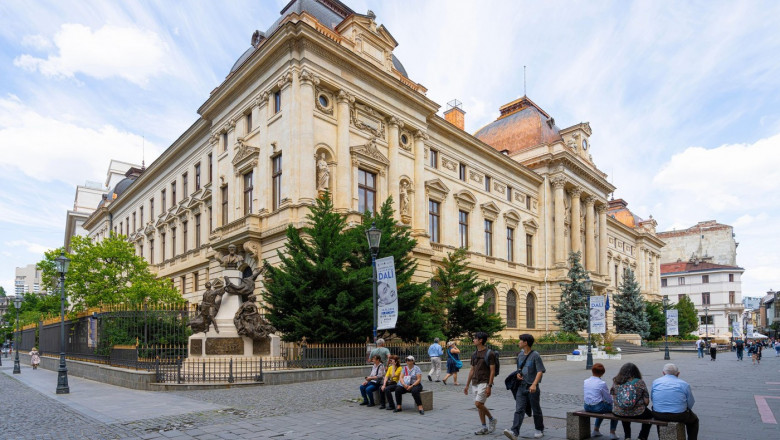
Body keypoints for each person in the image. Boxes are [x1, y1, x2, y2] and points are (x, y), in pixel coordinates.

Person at [504, 333, 545, 440]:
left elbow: (540, 371)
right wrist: (518, 374)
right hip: (521, 387)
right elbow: (519, 368)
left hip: (532, 387)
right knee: (519, 409)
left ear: (525, 342)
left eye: (520, 340)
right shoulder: (520, 355)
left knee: (536, 409)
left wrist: (534, 385)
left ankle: (539, 429)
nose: (519, 342)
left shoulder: (535, 355)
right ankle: (514, 432)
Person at [651, 363, 699, 440]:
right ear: (678, 374)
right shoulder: (684, 384)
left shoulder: (655, 382)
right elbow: (691, 403)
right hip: (679, 415)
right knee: (694, 420)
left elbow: (653, 398)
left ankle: (661, 437)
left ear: (663, 373)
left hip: (658, 414)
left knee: (659, 416)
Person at [465, 331, 498, 435]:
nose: (473, 340)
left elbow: (492, 371)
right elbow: (472, 370)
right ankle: (484, 427)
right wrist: (467, 385)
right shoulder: (474, 354)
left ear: (481, 340)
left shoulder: (489, 353)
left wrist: (490, 385)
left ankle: (491, 419)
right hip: (475, 382)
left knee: (478, 403)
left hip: (484, 381)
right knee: (480, 406)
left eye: (475, 338)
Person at [610, 362, 652, 440]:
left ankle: (627, 436)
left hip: (618, 412)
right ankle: (642, 437)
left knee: (624, 410)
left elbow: (614, 398)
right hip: (638, 413)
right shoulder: (640, 382)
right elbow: (646, 402)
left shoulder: (616, 381)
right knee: (650, 416)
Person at [582, 363, 618, 439]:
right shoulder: (602, 383)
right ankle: (612, 432)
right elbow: (608, 398)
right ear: (602, 373)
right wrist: (612, 403)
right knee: (615, 411)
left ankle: (596, 430)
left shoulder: (586, 381)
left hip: (586, 406)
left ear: (592, 371)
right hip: (597, 407)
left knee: (602, 407)